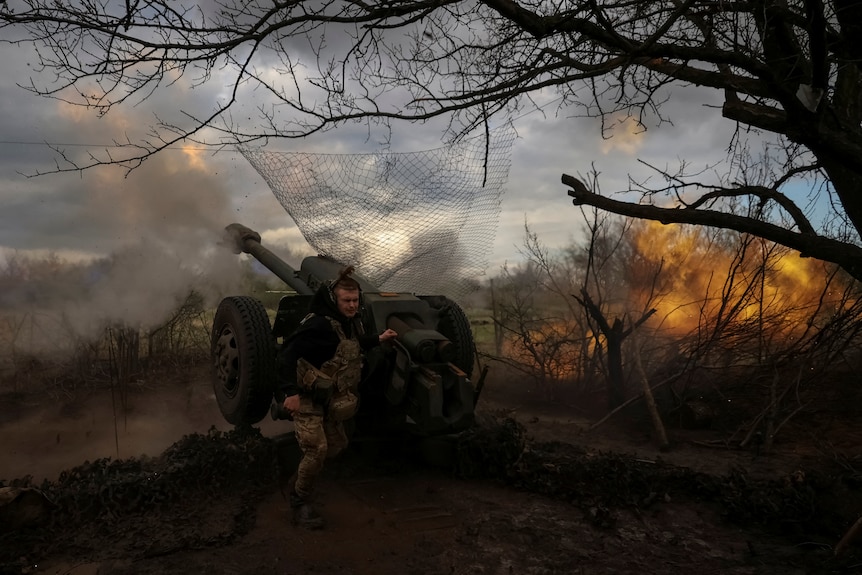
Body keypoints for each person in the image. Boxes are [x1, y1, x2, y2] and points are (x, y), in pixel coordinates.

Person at [275, 265, 397, 529]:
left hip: (330, 397)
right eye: (346, 301)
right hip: (307, 397)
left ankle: (297, 479)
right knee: (316, 449)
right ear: (334, 300)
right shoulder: (318, 324)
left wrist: (378, 338)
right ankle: (299, 502)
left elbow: (349, 347)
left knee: (337, 444)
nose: (352, 305)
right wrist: (290, 393)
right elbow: (286, 355)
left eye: (355, 300)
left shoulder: (348, 323)